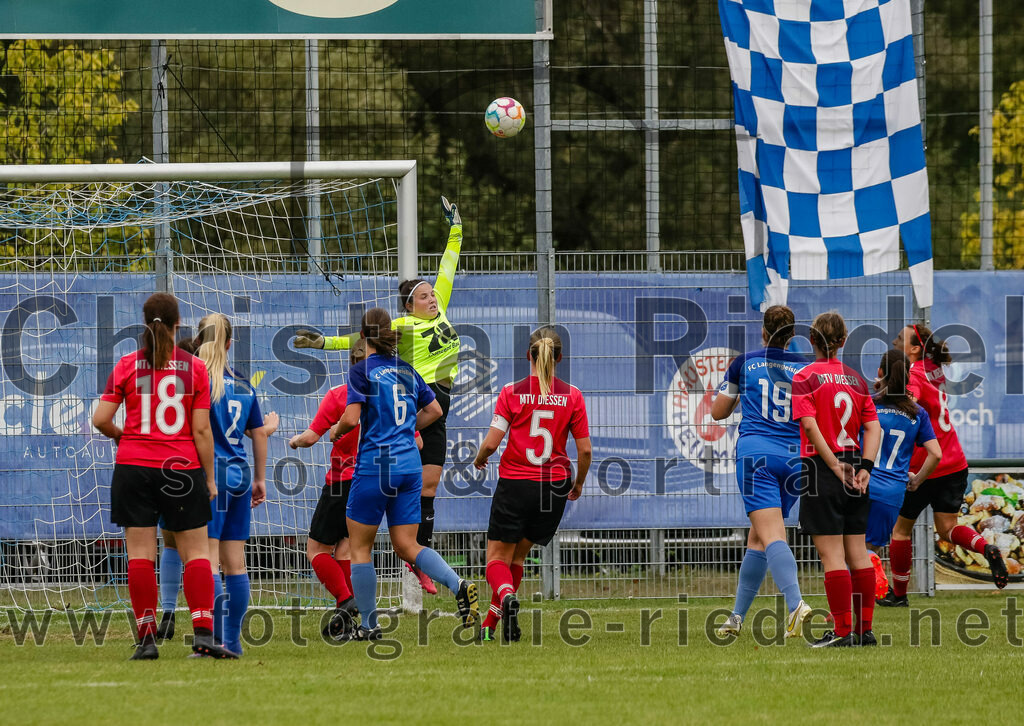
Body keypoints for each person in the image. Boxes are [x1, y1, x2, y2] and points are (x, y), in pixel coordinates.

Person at [293, 197, 464, 595]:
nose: (432, 298)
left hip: (438, 409)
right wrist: (323, 343)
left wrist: (456, 228)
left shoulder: (441, 310)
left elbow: (448, 265)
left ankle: (420, 558)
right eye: (424, 296)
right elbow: (360, 339)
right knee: (408, 487)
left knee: (430, 489)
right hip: (417, 403)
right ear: (408, 305)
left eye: (432, 295)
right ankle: (407, 562)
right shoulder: (402, 325)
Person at [91, 292, 236, 660]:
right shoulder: (195, 368)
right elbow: (202, 432)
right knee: (197, 553)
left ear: (144, 324)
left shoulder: (126, 364)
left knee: (141, 555)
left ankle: (146, 639)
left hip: (134, 468)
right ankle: (203, 632)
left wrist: (125, 437)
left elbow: (100, 420)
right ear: (178, 325)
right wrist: (209, 478)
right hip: (182, 469)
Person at [331, 307, 479, 640]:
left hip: (376, 466)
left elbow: (352, 418)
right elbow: (436, 410)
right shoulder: (407, 370)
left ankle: (369, 626)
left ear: (363, 336)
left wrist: (335, 431)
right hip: (410, 465)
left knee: (359, 549)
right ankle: (459, 585)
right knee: (407, 544)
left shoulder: (362, 371)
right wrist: (406, 427)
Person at [156, 336, 279, 647]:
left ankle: (208, 635)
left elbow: (194, 429)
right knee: (236, 564)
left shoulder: (197, 382)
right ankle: (231, 640)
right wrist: (261, 475)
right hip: (240, 476)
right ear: (229, 343)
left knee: (203, 560)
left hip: (208, 478)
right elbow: (257, 433)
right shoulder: (243, 384)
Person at [473, 328, 592, 643]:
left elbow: (491, 442)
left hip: (516, 482)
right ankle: (489, 626)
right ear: (560, 358)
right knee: (517, 558)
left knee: (497, 559)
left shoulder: (512, 392)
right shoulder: (573, 395)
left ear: (528, 355)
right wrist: (578, 483)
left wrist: (480, 457)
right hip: (554, 487)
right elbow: (585, 451)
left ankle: (507, 597)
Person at [879, 324, 1009, 605]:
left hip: (924, 467)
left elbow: (909, 399)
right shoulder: (933, 368)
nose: (894, 341)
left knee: (900, 531)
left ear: (914, 348)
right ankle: (986, 548)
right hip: (955, 462)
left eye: (900, 339)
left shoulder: (914, 372)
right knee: (948, 527)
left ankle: (899, 595)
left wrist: (881, 399)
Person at [710, 305, 812, 639]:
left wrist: (738, 390)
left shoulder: (745, 362)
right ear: (792, 335)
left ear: (763, 331)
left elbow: (717, 412)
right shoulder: (806, 368)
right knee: (759, 535)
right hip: (796, 460)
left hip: (758, 456)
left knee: (771, 536)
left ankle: (796, 604)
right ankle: (737, 618)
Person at [791, 311, 882, 648]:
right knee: (858, 553)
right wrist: (866, 469)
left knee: (832, 557)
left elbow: (810, 426)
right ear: (843, 341)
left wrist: (832, 465)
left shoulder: (805, 377)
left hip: (822, 468)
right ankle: (865, 630)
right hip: (856, 466)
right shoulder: (857, 381)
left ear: (811, 340)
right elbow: (874, 427)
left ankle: (842, 631)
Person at [288, 339, 368, 638]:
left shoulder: (339, 395)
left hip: (341, 482)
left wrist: (294, 441)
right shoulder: (388, 393)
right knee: (346, 547)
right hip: (372, 481)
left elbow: (310, 437)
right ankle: (347, 616)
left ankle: (346, 600)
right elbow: (416, 440)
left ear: (350, 363)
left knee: (317, 549)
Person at [864, 350, 942, 598]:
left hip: (864, 482)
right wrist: (916, 481)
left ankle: (847, 609)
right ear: (908, 376)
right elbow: (936, 454)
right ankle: (870, 580)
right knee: (871, 547)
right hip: (893, 490)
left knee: (849, 547)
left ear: (879, 372)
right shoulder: (917, 413)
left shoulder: (870, 403)